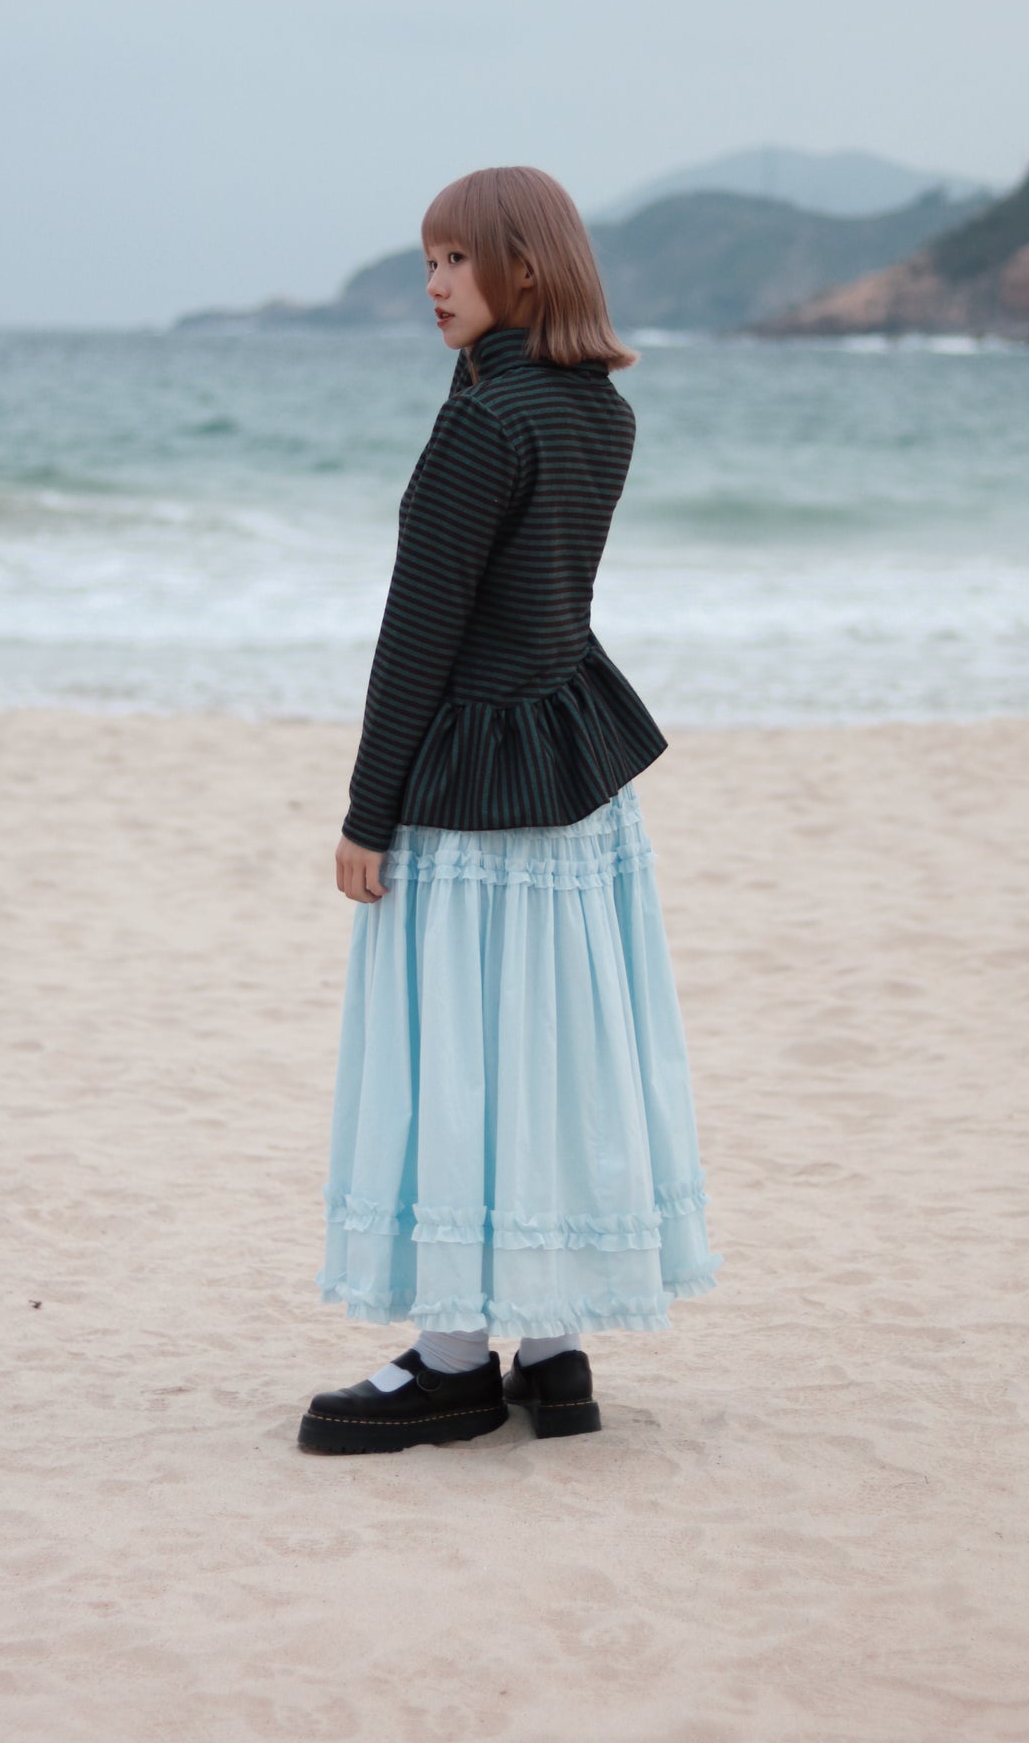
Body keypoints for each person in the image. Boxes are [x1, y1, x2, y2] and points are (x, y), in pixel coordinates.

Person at [299, 165, 719, 1455]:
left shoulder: (487, 419)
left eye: (453, 263)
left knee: (465, 1052)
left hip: (475, 787)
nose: (431, 286)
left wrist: (368, 813)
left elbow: (420, 631)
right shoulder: (601, 411)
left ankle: (449, 1366)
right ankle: (553, 1352)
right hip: (571, 768)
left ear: (521, 271)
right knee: (550, 1042)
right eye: (427, 262)